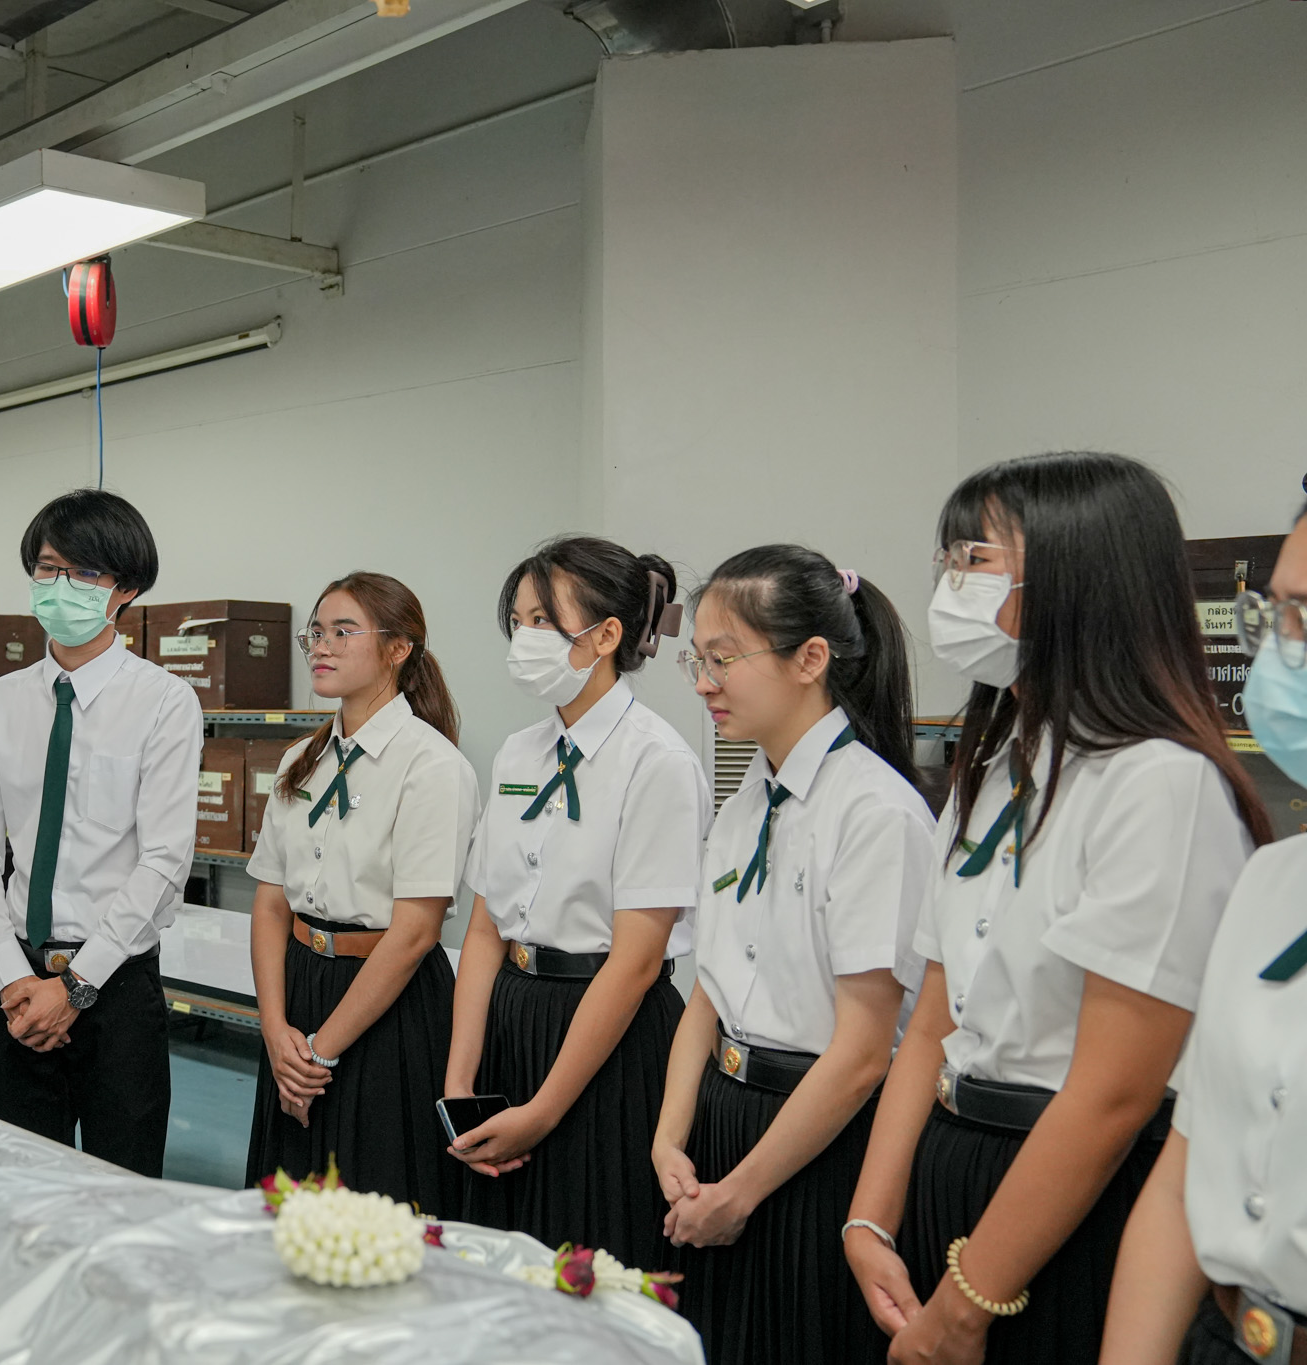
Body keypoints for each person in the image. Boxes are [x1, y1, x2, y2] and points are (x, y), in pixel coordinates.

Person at [842, 452, 1269, 1365]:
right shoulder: (993, 764)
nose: (949, 585)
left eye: (976, 559)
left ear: (1080, 578)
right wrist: (870, 1218)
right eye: (947, 560)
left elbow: (1113, 1095)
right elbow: (934, 1023)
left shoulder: (1159, 785)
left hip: (1066, 1198)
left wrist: (965, 1306)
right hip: (955, 1163)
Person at [651, 544, 934, 1365]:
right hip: (724, 1120)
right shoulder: (749, 799)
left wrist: (740, 1193)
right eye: (696, 660)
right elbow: (708, 990)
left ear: (811, 659)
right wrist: (669, 1137)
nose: (704, 682)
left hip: (820, 1139)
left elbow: (863, 1053)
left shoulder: (876, 813)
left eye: (724, 658)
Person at [445, 536, 709, 1267]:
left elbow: (635, 961)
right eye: (518, 621)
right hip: (511, 1018)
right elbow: (485, 928)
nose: (523, 638)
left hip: (606, 1033)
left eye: (542, 620)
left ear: (606, 635)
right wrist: (460, 1080)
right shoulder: (518, 753)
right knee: (496, 1258)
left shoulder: (656, 762)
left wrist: (543, 1111)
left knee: (585, 1252)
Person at [1096, 502, 1307, 1365]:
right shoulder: (1272, 881)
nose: (1280, 651)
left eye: (1305, 617)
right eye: (1276, 615)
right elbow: (1189, 1163)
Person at [0, 488, 202, 1176]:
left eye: (86, 572)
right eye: (48, 568)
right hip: (16, 983)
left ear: (126, 588)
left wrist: (76, 988)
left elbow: (163, 859)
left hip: (116, 987)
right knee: (20, 1187)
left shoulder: (164, 702)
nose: (61, 586)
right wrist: (14, 980)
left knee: (123, 1188)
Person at [245, 572, 478, 1212]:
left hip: (386, 1004)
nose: (322, 646)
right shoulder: (300, 760)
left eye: (343, 632)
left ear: (398, 649)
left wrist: (318, 1055)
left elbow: (415, 934)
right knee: (287, 1203)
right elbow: (270, 904)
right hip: (298, 991)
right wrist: (276, 1031)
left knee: (374, 1202)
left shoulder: (433, 767)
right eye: (316, 632)